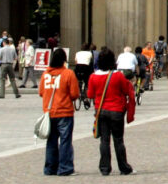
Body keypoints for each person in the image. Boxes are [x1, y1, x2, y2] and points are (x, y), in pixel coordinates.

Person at [87, 47, 136, 176]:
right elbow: (127, 91)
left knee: (104, 140)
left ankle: (104, 167)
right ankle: (123, 167)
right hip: (116, 110)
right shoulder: (118, 76)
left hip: (101, 110)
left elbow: (90, 94)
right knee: (118, 140)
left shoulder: (93, 77)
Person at [39, 47, 80, 176]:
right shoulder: (68, 74)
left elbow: (41, 92)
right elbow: (74, 94)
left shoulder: (45, 74)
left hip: (49, 112)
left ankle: (50, 168)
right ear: (64, 60)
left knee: (51, 141)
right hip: (64, 112)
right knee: (65, 141)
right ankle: (65, 168)